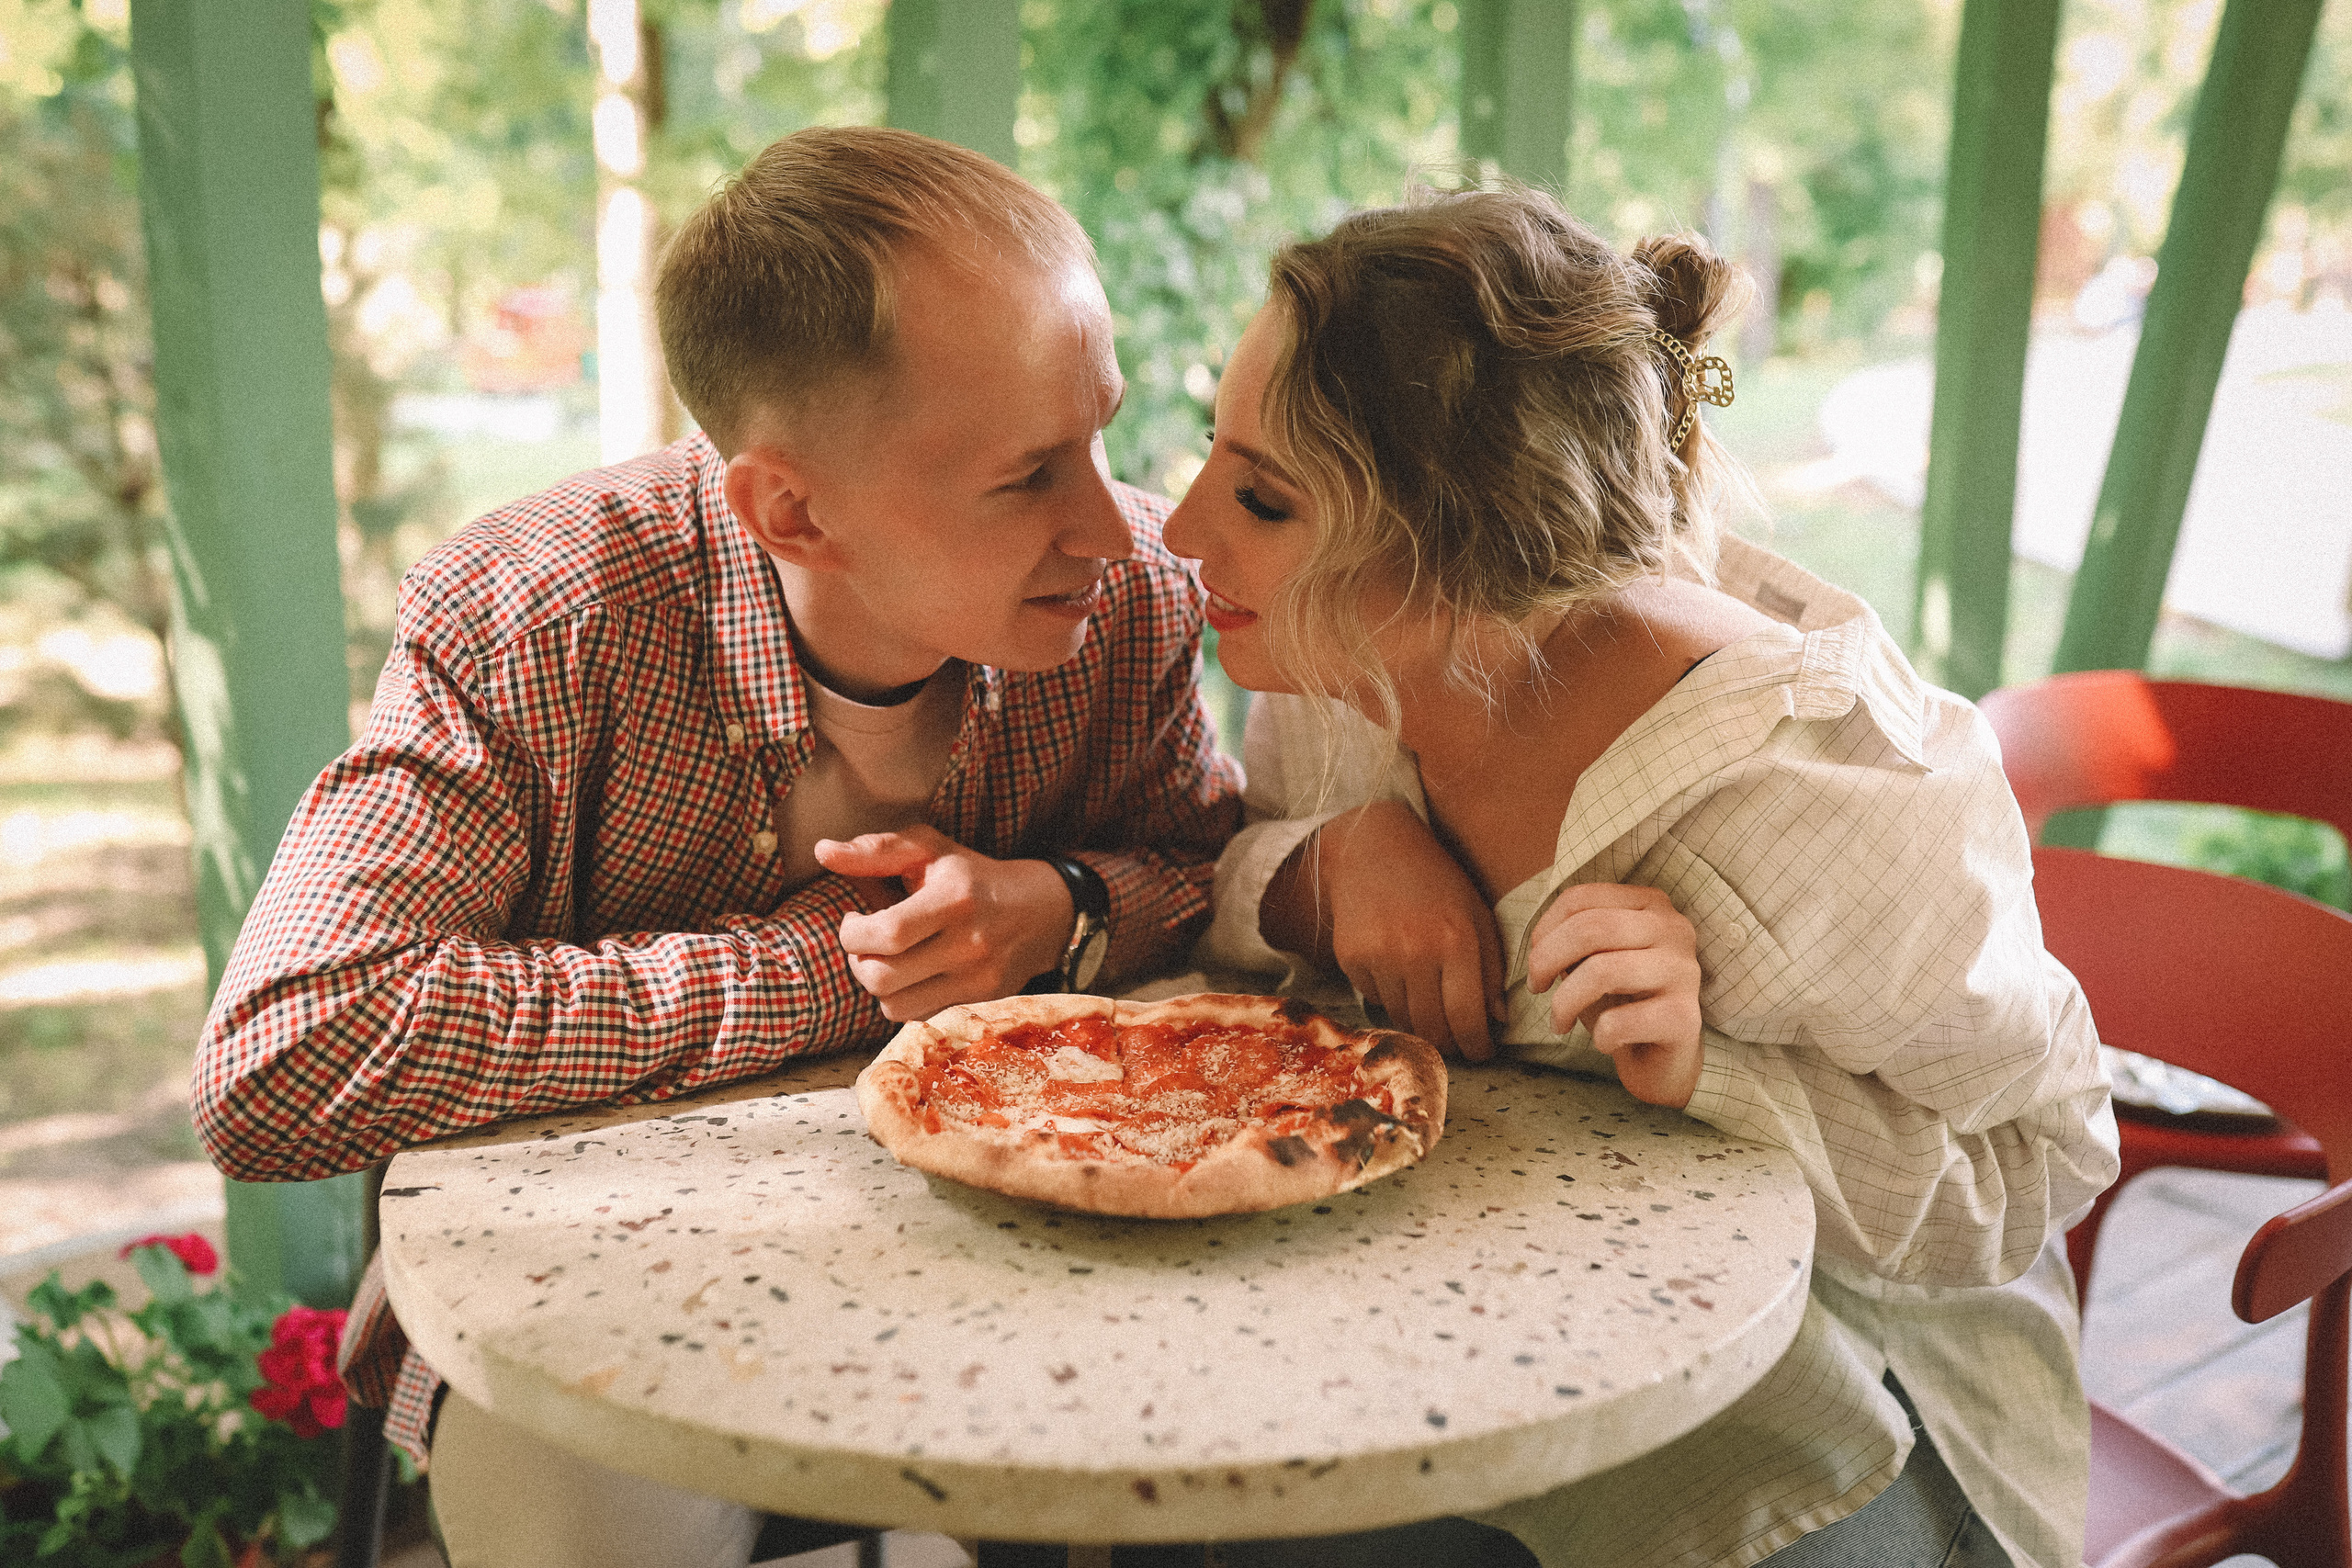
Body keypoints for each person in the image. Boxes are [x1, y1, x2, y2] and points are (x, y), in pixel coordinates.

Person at [191, 127, 1240, 1568]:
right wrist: (820, 974)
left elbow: (1206, 871)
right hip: (598, 1282)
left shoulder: (1132, 610)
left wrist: (1056, 908)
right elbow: (286, 1051)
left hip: (1018, 1250)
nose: (1116, 528)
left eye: (1104, 433)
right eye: (1026, 475)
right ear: (790, 508)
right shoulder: (533, 617)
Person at [1167, 187, 2119, 1568]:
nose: (1181, 530)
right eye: (1214, 450)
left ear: (1464, 551)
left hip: (1848, 1423)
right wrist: (1323, 866)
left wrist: (1714, 1073)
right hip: (1459, 1319)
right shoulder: (1333, 674)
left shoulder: (1831, 792)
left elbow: (2044, 1158)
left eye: (1262, 497)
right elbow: (1220, 897)